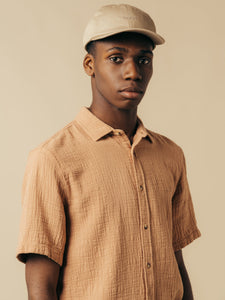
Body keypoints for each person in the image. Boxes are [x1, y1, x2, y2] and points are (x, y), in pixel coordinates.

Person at [16, 4, 201, 300]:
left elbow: (175, 260)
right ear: (90, 65)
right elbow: (40, 282)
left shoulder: (170, 155)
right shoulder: (52, 158)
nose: (133, 72)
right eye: (116, 58)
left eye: (143, 60)